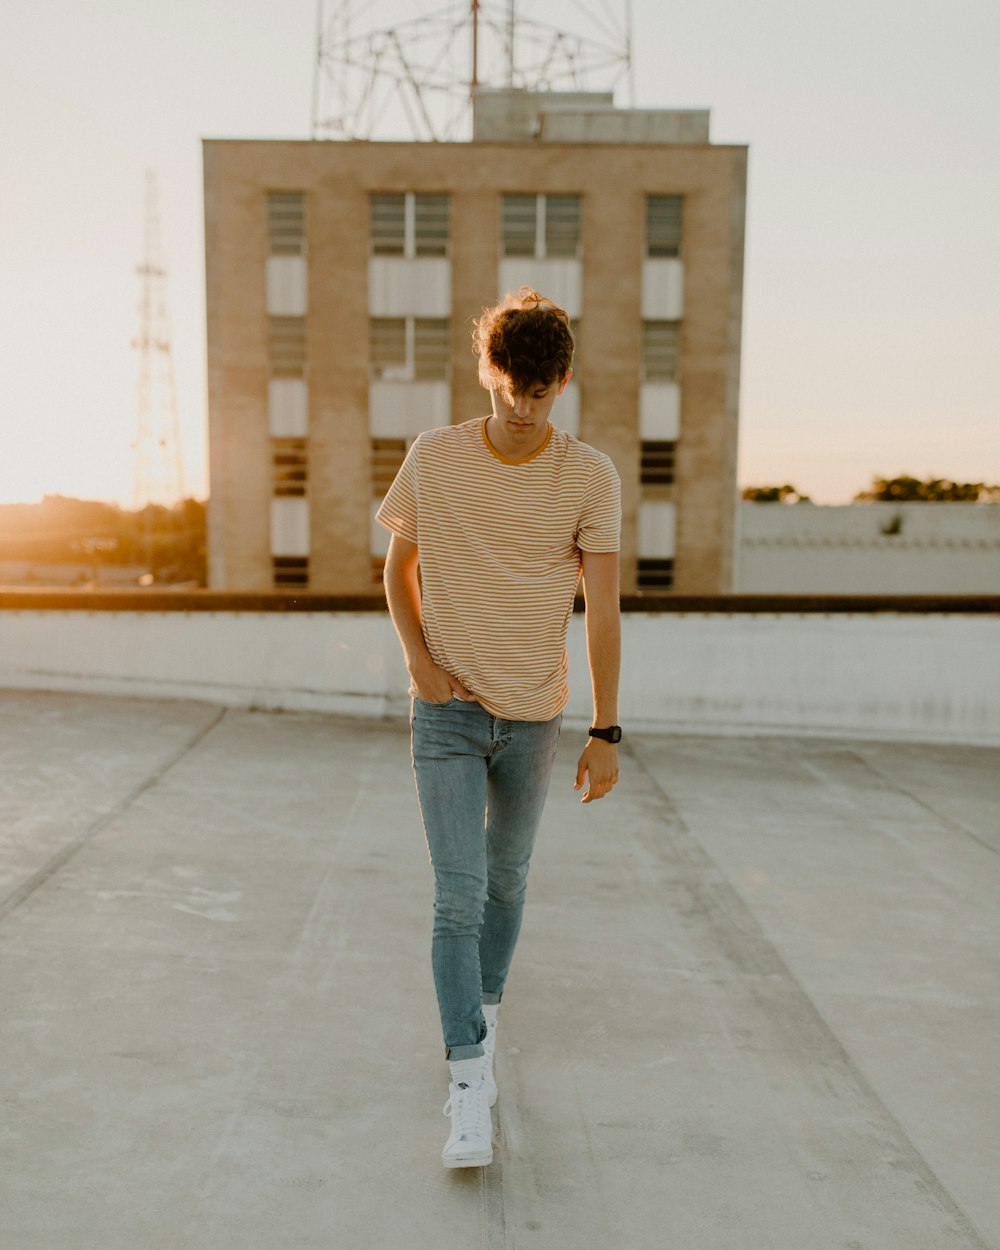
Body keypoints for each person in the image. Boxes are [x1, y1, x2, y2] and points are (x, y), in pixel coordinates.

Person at [376, 287, 622, 1169]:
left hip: (535, 716)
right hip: (444, 713)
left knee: (508, 882)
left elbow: (602, 611)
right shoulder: (434, 459)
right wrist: (418, 662)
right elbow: (397, 570)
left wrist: (608, 728)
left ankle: (485, 1011)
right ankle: (469, 1078)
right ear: (489, 372)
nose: (523, 408)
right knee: (458, 893)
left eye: (542, 391)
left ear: (562, 382)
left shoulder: (589, 476)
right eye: (511, 387)